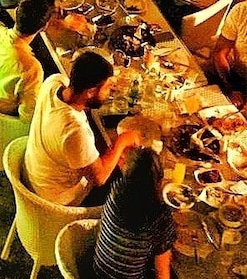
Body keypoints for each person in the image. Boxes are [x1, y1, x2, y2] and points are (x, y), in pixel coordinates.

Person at [25, 50, 142, 206]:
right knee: (126, 185)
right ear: (91, 91)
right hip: (56, 198)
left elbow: (76, 95)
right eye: (108, 87)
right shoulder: (74, 130)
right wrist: (122, 141)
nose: (110, 92)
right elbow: (99, 178)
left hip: (35, 172)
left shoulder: (53, 82)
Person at [92, 146, 176, 279]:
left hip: (97, 271)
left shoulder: (116, 189)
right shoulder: (159, 216)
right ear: (158, 179)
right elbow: (162, 272)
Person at [0, 0, 56, 121]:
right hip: (2, 114)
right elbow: (27, 115)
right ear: (44, 27)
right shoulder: (31, 68)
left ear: (17, 10)